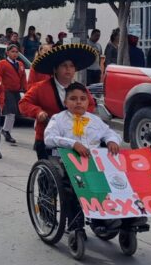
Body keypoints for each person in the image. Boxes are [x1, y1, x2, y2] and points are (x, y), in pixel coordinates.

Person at [44, 82, 129, 232]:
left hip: (94, 163)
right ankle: (78, 224)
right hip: (68, 163)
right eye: (73, 98)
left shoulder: (94, 120)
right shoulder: (58, 119)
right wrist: (73, 144)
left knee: (116, 181)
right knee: (75, 187)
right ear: (65, 102)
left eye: (83, 99)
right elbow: (49, 138)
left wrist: (111, 141)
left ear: (88, 101)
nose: (78, 102)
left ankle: (120, 219)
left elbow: (110, 133)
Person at [20, 43, 98, 159]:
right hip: (47, 139)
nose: (68, 69)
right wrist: (38, 112)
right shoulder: (40, 88)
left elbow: (91, 105)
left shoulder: (81, 89)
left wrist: (82, 114)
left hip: (75, 139)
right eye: (64, 66)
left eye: (71, 66)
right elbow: (23, 104)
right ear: (55, 69)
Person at [0, 43, 27, 145]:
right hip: (6, 90)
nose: (15, 54)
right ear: (7, 52)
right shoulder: (2, 64)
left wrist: (26, 89)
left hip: (16, 91)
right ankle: (6, 131)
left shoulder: (20, 64)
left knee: (14, 113)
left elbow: (23, 78)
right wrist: (0, 89)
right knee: (11, 112)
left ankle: (6, 130)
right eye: (12, 51)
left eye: (16, 52)